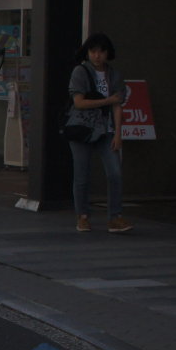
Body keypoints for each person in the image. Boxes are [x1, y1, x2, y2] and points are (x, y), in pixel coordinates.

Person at [66, 32, 131, 233]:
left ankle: (115, 217)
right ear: (87, 52)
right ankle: (83, 216)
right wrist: (107, 101)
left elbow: (118, 106)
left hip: (108, 130)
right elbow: (79, 102)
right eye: (93, 51)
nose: (97, 56)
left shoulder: (115, 75)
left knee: (115, 173)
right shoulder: (80, 72)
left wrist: (119, 134)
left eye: (101, 52)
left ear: (107, 53)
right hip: (83, 129)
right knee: (82, 175)